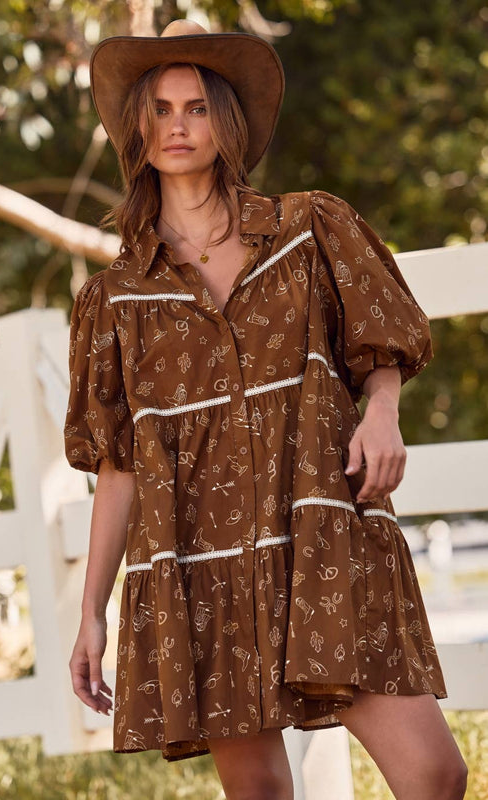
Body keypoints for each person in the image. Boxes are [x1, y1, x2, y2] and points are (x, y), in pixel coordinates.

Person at [63, 18, 468, 800]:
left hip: (319, 542)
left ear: (227, 122)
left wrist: (380, 411)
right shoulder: (113, 300)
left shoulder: (308, 229)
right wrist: (91, 614)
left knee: (433, 774)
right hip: (199, 563)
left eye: (197, 107)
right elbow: (119, 468)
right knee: (259, 795)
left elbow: (379, 345)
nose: (177, 126)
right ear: (136, 132)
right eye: (160, 110)